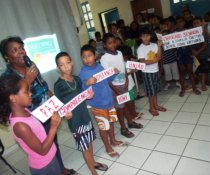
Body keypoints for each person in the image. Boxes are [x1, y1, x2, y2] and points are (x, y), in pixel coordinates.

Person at [0, 36, 77, 175]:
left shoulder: (31, 65)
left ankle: (61, 169)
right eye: (15, 50)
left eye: (21, 48)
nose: (21, 52)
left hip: (48, 110)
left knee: (53, 142)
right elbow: (14, 99)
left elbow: (43, 85)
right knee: (42, 147)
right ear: (7, 56)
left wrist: (55, 101)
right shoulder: (8, 77)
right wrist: (27, 80)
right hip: (32, 118)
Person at [54, 52, 108, 175]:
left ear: (72, 62)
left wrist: (89, 95)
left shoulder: (77, 79)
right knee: (84, 147)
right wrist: (64, 113)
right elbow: (58, 106)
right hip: (75, 121)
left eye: (68, 63)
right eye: (62, 65)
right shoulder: (59, 85)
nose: (66, 67)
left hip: (85, 116)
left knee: (89, 141)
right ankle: (93, 172)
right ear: (58, 68)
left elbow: (83, 95)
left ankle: (93, 162)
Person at [0, 75, 61, 175]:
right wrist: (53, 127)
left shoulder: (24, 110)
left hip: (50, 158)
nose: (30, 93)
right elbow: (42, 150)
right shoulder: (20, 126)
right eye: (26, 91)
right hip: (44, 166)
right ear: (13, 98)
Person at [79, 44, 126, 158]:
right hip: (98, 104)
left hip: (109, 101)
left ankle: (113, 141)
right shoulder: (83, 72)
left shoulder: (99, 67)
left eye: (89, 56)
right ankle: (107, 147)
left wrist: (113, 73)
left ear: (94, 56)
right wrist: (87, 83)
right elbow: (82, 90)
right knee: (103, 126)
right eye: (84, 57)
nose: (87, 59)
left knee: (110, 122)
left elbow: (108, 79)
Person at [101, 33, 143, 138]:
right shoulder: (104, 58)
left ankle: (130, 122)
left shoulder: (119, 53)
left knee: (126, 105)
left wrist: (127, 82)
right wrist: (115, 89)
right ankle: (123, 128)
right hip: (114, 87)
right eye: (109, 43)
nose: (112, 45)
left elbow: (123, 67)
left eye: (114, 42)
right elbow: (106, 76)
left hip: (124, 84)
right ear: (104, 45)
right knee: (120, 109)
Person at [137, 27, 167, 116]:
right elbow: (142, 62)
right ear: (140, 37)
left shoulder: (154, 45)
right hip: (147, 73)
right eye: (143, 36)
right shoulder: (140, 48)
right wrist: (154, 61)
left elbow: (159, 56)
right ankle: (151, 108)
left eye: (147, 36)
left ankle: (156, 105)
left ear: (150, 36)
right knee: (151, 92)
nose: (146, 38)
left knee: (155, 90)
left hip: (155, 70)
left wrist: (159, 46)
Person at [176, 17, 201, 96]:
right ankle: (182, 89)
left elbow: (193, 42)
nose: (180, 24)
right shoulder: (174, 33)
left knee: (191, 72)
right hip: (180, 55)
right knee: (182, 73)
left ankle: (194, 88)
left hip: (188, 53)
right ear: (176, 24)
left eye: (181, 22)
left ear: (184, 23)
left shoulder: (189, 31)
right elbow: (172, 45)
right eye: (178, 22)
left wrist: (193, 50)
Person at [118, 45, 144, 120]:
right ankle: (131, 114)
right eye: (125, 56)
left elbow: (130, 70)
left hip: (130, 84)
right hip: (125, 85)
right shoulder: (119, 63)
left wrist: (134, 69)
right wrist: (131, 71)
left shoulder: (126, 61)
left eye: (127, 56)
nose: (126, 58)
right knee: (128, 100)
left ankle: (134, 112)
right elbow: (122, 74)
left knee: (132, 99)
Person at [191, 17, 208, 91]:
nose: (196, 24)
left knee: (203, 70)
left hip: (203, 54)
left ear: (201, 23)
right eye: (194, 23)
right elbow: (188, 43)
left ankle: (203, 84)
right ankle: (197, 83)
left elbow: (205, 44)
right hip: (194, 54)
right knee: (196, 70)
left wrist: (198, 52)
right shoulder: (191, 33)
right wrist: (192, 51)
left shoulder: (204, 32)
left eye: (197, 23)